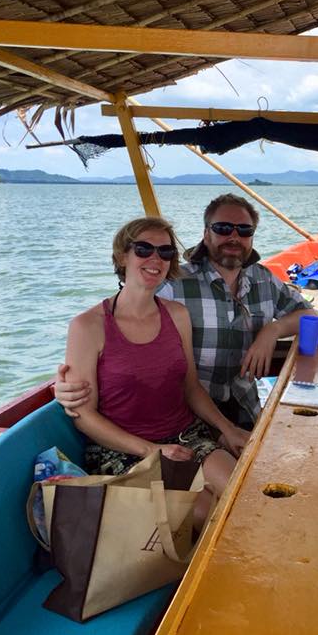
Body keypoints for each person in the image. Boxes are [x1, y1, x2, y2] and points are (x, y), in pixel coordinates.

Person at [56, 193, 317, 430]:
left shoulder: (264, 280)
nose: (234, 237)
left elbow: (312, 316)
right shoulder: (172, 284)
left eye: (244, 230)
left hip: (246, 407)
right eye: (223, 228)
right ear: (206, 234)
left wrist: (273, 330)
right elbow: (122, 334)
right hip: (191, 415)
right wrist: (67, 388)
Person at [63, 216, 249, 528]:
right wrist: (152, 450)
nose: (155, 259)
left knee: (240, 493)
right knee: (203, 509)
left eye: (165, 252)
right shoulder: (88, 326)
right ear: (123, 256)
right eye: (144, 249)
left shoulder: (177, 316)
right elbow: (83, 416)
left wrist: (226, 428)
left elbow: (191, 388)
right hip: (122, 450)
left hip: (186, 435)